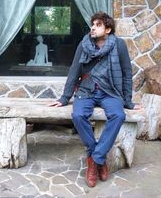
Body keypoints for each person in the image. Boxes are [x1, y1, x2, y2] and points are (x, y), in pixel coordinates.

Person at [49, 11, 141, 188]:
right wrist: (64, 97)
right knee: (77, 116)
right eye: (93, 24)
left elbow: (127, 73)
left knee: (118, 115)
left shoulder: (119, 45)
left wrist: (128, 101)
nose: (93, 27)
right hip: (87, 90)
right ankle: (98, 157)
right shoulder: (84, 45)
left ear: (107, 29)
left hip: (110, 92)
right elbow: (74, 71)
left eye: (98, 25)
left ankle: (94, 158)